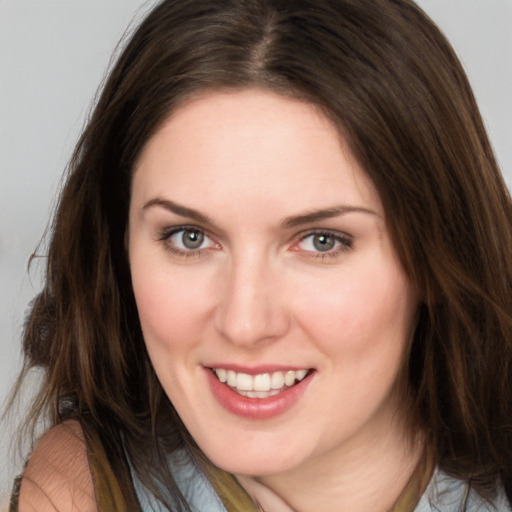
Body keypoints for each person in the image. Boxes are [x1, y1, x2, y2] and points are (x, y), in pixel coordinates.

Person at [7, 0, 512, 510]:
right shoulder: (77, 491)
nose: (245, 324)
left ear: (439, 249)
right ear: (119, 249)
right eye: (189, 237)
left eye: (321, 241)